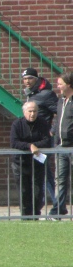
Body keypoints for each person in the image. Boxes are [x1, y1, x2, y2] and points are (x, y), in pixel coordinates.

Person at [21, 67, 58, 217]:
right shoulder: (31, 95)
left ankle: (56, 205)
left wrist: (53, 130)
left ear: (36, 79)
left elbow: (60, 112)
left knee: (45, 174)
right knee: (42, 174)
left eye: (30, 78)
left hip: (43, 140)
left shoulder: (46, 94)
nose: (27, 81)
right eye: (24, 79)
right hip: (33, 141)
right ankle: (45, 206)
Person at [10, 101, 51, 217]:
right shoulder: (17, 124)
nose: (32, 114)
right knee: (24, 192)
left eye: (35, 111)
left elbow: (47, 141)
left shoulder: (42, 123)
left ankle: (36, 215)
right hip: (20, 164)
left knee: (38, 192)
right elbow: (14, 142)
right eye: (30, 111)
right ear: (24, 112)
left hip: (37, 163)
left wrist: (34, 146)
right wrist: (29, 146)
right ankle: (25, 216)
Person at [51, 72, 73, 219]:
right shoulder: (61, 101)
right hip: (61, 147)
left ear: (69, 84)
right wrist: (54, 130)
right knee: (60, 180)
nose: (58, 87)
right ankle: (58, 210)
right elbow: (59, 118)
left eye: (60, 84)